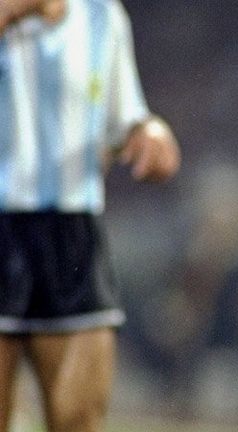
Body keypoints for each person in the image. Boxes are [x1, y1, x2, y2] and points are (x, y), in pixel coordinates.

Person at [0, 1, 180, 431]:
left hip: (73, 233)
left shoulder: (102, 15)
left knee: (78, 421)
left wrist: (149, 132)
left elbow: (123, 118)